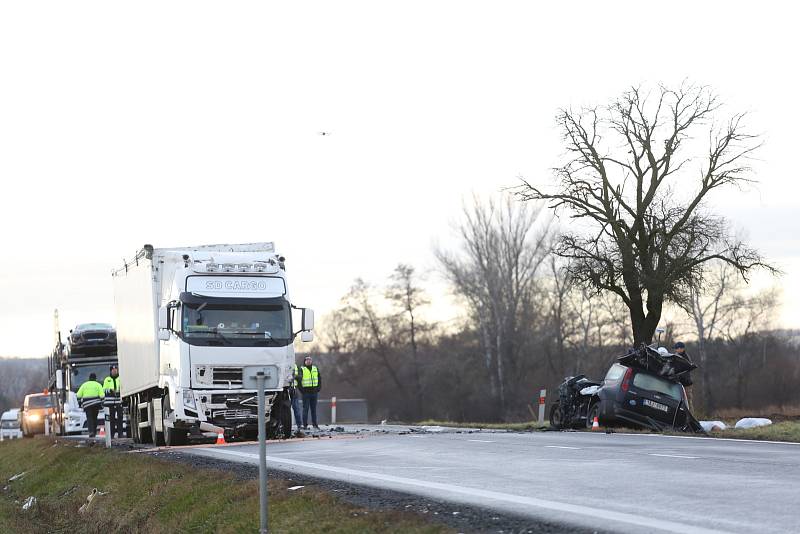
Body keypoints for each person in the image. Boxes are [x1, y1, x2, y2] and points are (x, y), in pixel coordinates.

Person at [76, 373, 105, 438]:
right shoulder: (98, 385)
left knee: (89, 418)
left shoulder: (84, 385)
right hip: (96, 404)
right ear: (95, 378)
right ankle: (94, 431)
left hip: (87, 405)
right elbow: (102, 395)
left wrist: (80, 403)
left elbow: (78, 395)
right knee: (94, 418)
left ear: (89, 378)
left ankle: (90, 431)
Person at [299, 356, 321, 430]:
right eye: (307, 360)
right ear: (304, 361)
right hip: (306, 393)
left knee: (313, 409)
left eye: (310, 359)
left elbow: (319, 379)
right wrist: (302, 391)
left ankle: (315, 424)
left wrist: (318, 388)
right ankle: (305, 425)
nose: (308, 361)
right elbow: (299, 381)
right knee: (306, 409)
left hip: (314, 392)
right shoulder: (302, 369)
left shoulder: (315, 368)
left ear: (312, 361)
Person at [103, 365, 123, 438]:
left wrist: (119, 391)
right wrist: (111, 390)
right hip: (110, 402)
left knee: (120, 417)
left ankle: (120, 433)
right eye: (113, 370)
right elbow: (104, 389)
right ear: (110, 371)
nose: (114, 371)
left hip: (118, 401)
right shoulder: (107, 379)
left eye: (116, 370)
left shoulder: (120, 378)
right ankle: (112, 434)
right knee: (111, 419)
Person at [673, 341, 694, 409]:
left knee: (688, 401)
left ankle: (691, 417)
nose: (675, 350)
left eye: (676, 348)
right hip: (679, 383)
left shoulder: (685, 358)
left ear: (681, 349)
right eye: (675, 349)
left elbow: (683, 371)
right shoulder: (677, 356)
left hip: (686, 384)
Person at [289, 362, 303, 433]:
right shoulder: (284, 364)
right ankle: (284, 426)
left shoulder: (296, 366)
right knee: (285, 409)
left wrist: (295, 377)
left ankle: (299, 425)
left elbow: (300, 376)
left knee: (296, 408)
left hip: (294, 389)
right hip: (286, 389)